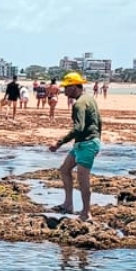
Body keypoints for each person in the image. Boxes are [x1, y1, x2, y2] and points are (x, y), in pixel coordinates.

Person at [48, 72, 102, 221]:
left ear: (74, 87)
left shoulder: (79, 104)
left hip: (87, 144)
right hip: (83, 143)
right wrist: (97, 138)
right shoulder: (88, 99)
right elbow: (99, 121)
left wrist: (59, 143)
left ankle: (86, 213)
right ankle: (68, 204)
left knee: (83, 179)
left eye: (66, 87)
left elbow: (78, 128)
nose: (64, 91)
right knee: (65, 169)